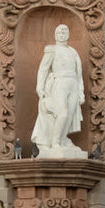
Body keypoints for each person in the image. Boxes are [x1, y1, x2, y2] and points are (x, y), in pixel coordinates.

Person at [32, 24, 86, 157]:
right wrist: (40, 87)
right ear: (55, 34)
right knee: (62, 113)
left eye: (64, 31)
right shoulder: (52, 50)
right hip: (59, 82)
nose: (62, 33)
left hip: (72, 83)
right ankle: (55, 142)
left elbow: (79, 74)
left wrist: (81, 91)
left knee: (71, 113)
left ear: (68, 34)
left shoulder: (73, 52)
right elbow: (43, 69)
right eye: (59, 31)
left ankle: (62, 140)